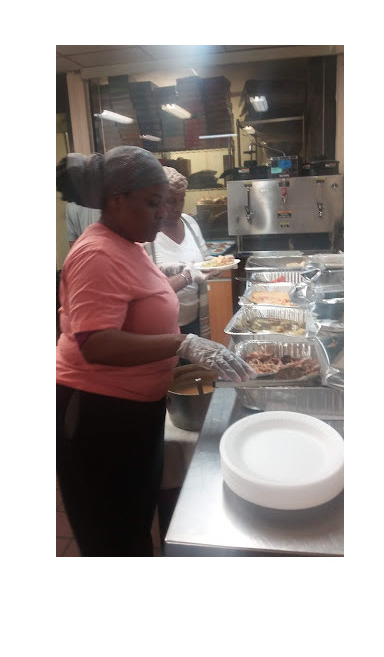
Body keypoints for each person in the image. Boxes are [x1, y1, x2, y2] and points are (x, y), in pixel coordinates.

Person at [56, 146, 255, 557]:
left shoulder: (127, 242)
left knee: (134, 515)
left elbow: (138, 293)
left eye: (165, 203)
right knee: (112, 533)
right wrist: (182, 342)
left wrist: (171, 274)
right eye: (152, 203)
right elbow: (96, 343)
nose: (163, 214)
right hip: (98, 414)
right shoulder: (96, 252)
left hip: (133, 408)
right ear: (116, 200)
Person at [144, 166, 212, 338]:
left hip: (195, 320)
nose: (177, 207)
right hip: (163, 328)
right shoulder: (145, 235)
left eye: (181, 200)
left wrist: (216, 265)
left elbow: (205, 260)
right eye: (171, 201)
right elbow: (148, 291)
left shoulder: (190, 223)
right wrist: (187, 276)